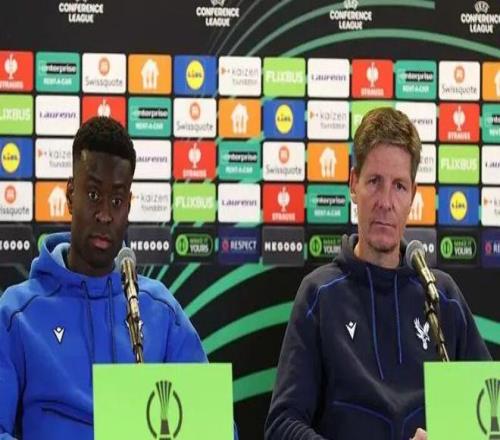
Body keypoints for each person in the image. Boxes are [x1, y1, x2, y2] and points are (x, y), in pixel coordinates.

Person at [264, 107, 491, 440]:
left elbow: (487, 417)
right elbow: (282, 425)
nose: (386, 201)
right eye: (374, 182)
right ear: (353, 184)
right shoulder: (320, 295)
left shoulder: (441, 295)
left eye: (399, 186)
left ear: (413, 195)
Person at [0, 117, 212, 439]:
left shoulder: (161, 312)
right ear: (70, 195)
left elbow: (214, 424)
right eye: (93, 195)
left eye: (116, 201)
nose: (105, 215)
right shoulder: (17, 314)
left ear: (129, 206)